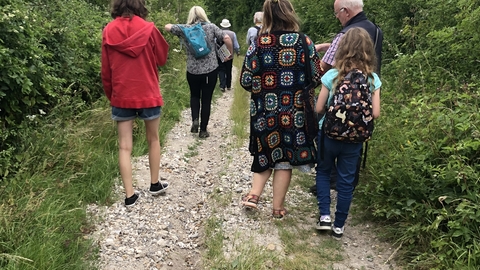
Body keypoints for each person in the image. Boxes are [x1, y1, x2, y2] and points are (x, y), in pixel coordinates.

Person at [239, 0, 323, 219]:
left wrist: (264, 89)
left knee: (265, 153)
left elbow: (246, 79)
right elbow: (316, 77)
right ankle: (277, 209)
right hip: (293, 113)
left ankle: (253, 195)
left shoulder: (258, 43)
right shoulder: (304, 41)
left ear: (266, 15)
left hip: (264, 112)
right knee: (284, 159)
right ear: (290, 13)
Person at [310, 0, 384, 195]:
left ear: (346, 11)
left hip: (336, 101)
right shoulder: (376, 30)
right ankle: (348, 181)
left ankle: (329, 177)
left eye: (337, 14)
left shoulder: (344, 35)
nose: (337, 18)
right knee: (356, 136)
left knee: (321, 127)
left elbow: (324, 68)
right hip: (366, 98)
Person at [314, 27, 382, 238]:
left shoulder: (333, 75)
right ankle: (339, 225)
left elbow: (318, 108)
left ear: (342, 49)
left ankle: (325, 216)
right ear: (368, 51)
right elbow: (376, 113)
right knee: (346, 180)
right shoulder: (373, 79)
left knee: (324, 172)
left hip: (328, 135)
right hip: (355, 140)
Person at [101, 0, 170, 207]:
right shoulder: (150, 29)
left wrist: (111, 95)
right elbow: (162, 58)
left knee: (124, 146)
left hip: (122, 94)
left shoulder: (108, 30)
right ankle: (155, 183)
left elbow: (105, 70)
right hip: (148, 92)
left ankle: (130, 196)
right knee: (153, 139)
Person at [165, 6, 233, 138]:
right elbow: (227, 38)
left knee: (194, 96)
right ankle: (203, 130)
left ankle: (195, 119)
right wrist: (229, 53)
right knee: (206, 100)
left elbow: (167, 26)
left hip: (192, 71)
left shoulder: (185, 28)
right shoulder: (211, 27)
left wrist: (182, 26)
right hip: (210, 70)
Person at [217, 18, 240, 92]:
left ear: (222, 25)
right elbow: (236, 45)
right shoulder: (233, 34)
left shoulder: (218, 32)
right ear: (228, 25)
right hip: (230, 55)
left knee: (221, 69)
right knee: (228, 69)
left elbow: (215, 43)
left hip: (221, 54)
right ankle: (229, 85)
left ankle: (222, 86)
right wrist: (237, 51)